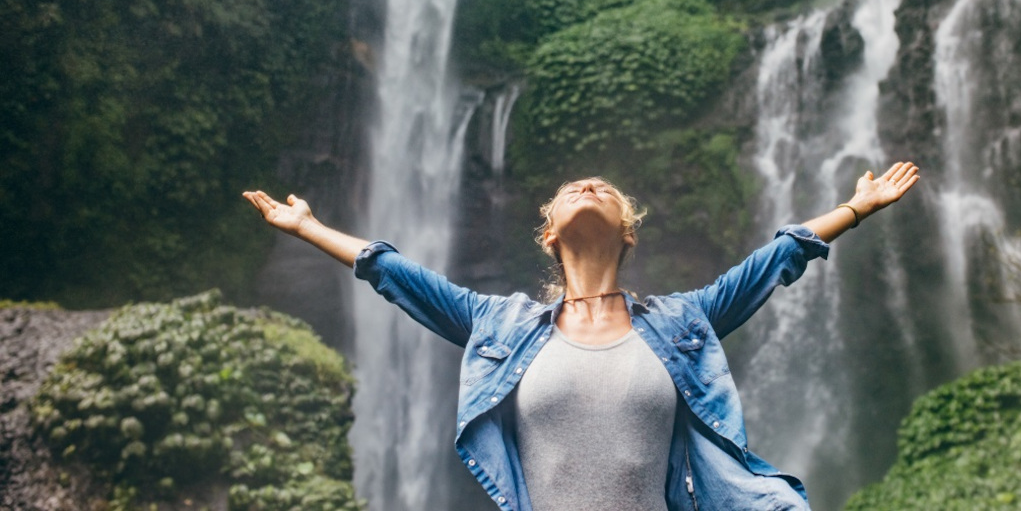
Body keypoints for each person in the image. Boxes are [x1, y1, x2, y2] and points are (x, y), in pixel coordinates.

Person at [243, 161, 919, 510]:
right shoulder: (498, 325)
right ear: (548, 233)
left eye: (602, 187)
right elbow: (394, 274)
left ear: (628, 231)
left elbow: (774, 262)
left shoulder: (683, 321)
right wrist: (306, 228)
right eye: (572, 187)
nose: (588, 185)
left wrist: (856, 208)